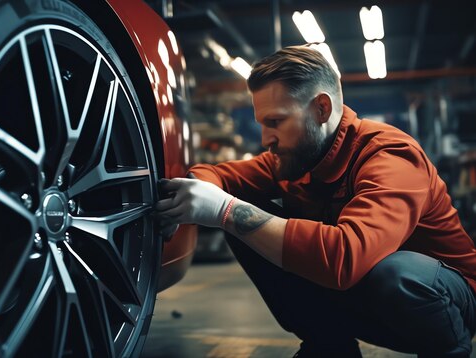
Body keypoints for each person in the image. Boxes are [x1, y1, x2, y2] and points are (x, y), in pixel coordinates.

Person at [155, 46, 476, 357]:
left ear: (321, 109)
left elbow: (347, 258)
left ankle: (447, 351)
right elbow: (217, 174)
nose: (266, 139)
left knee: (397, 273)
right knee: (239, 206)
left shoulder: (389, 155)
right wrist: (189, 194)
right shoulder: (294, 158)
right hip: (366, 295)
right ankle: (329, 346)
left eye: (275, 122)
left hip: (446, 299)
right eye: (262, 124)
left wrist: (225, 210)